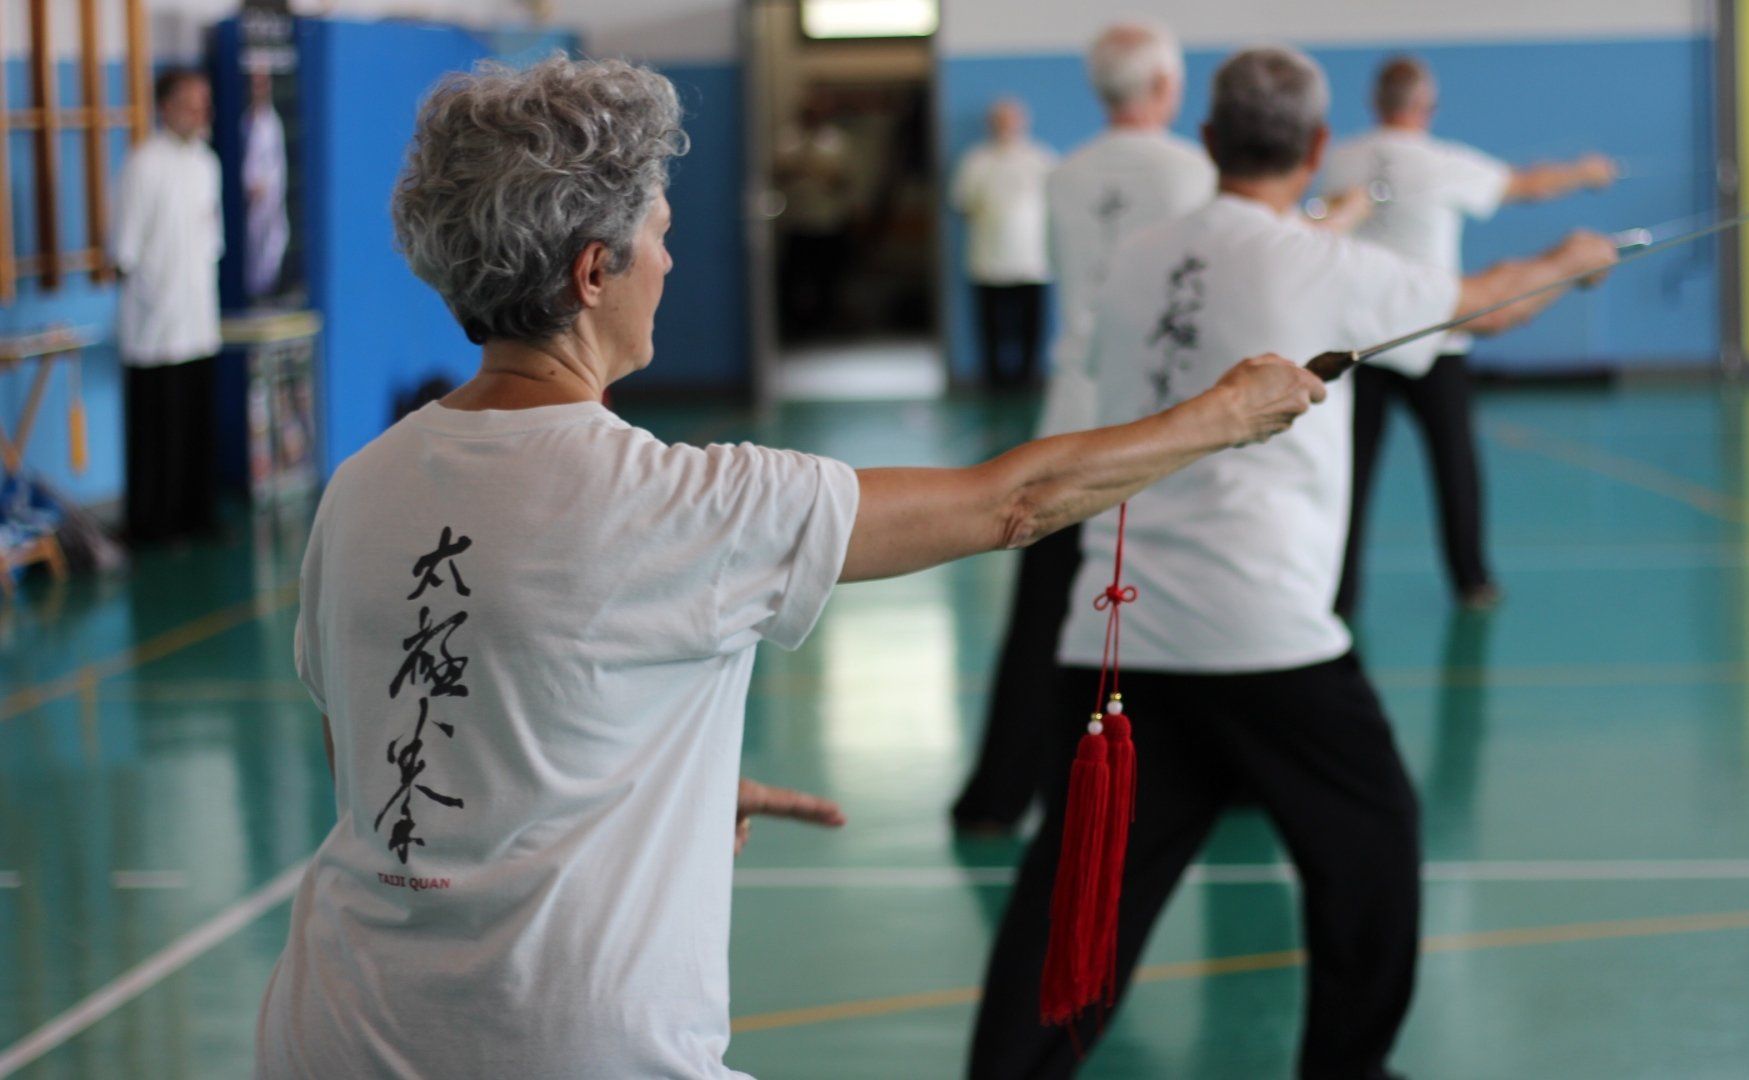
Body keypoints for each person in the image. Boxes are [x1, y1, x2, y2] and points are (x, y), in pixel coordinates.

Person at [253, 57, 1327, 1079]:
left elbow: (384, 760)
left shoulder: (360, 487)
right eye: (660, 236)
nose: (670, 263)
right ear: (593, 271)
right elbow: (1012, 503)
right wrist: (1225, 415)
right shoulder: (678, 502)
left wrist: (645, 789)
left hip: (330, 1033)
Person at [966, 46, 1615, 1080]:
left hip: (1122, 630)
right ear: (1316, 146)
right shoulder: (1326, 264)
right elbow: (1484, 303)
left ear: (1210, 139)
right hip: (1263, 635)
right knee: (1374, 844)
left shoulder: (1138, 258)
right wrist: (1572, 259)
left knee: (1080, 892)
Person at [951, 20, 1217, 834]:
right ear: (1165, 86)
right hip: (1159, 423)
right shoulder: (1194, 172)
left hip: (1071, 418)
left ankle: (997, 797)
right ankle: (1215, 779)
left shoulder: (1063, 175)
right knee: (1198, 607)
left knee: (1042, 615)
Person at [1321, 55, 1616, 616]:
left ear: (1376, 102)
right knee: (1454, 463)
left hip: (1363, 338)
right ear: (1425, 106)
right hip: (1435, 336)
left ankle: (1342, 592)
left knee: (1352, 472)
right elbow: (1525, 185)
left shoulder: (1340, 158)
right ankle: (1472, 581)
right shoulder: (1442, 161)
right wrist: (1585, 171)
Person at [110, 68, 223, 544]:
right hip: (154, 328)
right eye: (190, 103)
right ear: (165, 107)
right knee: (157, 429)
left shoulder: (207, 163)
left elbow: (211, 240)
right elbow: (124, 251)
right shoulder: (142, 165)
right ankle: (153, 525)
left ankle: (198, 516)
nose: (199, 112)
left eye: (204, 102)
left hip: (199, 321)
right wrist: (150, 293)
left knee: (197, 423)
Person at [952, 98, 1057, 389]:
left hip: (1032, 259)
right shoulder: (976, 160)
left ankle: (1028, 374)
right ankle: (994, 377)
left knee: (1031, 323)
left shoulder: (1041, 158)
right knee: (991, 322)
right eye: (1000, 120)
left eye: (1012, 119)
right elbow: (962, 203)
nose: (1006, 126)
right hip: (988, 258)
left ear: (1023, 122)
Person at [774, 99, 856, 340]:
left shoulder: (836, 141)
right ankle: (795, 327)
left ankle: (825, 325)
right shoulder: (786, 140)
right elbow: (774, 175)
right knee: (791, 279)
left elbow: (845, 181)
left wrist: (822, 172)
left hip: (828, 221)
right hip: (796, 221)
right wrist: (797, 168)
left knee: (827, 278)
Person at [243, 68, 291, 301]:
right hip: (248, 202)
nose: (259, 89)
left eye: (263, 84)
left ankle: (265, 289)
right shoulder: (245, 120)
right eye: (255, 84)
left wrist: (265, 187)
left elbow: (275, 164)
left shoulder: (272, 124)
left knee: (273, 240)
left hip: (268, 198)